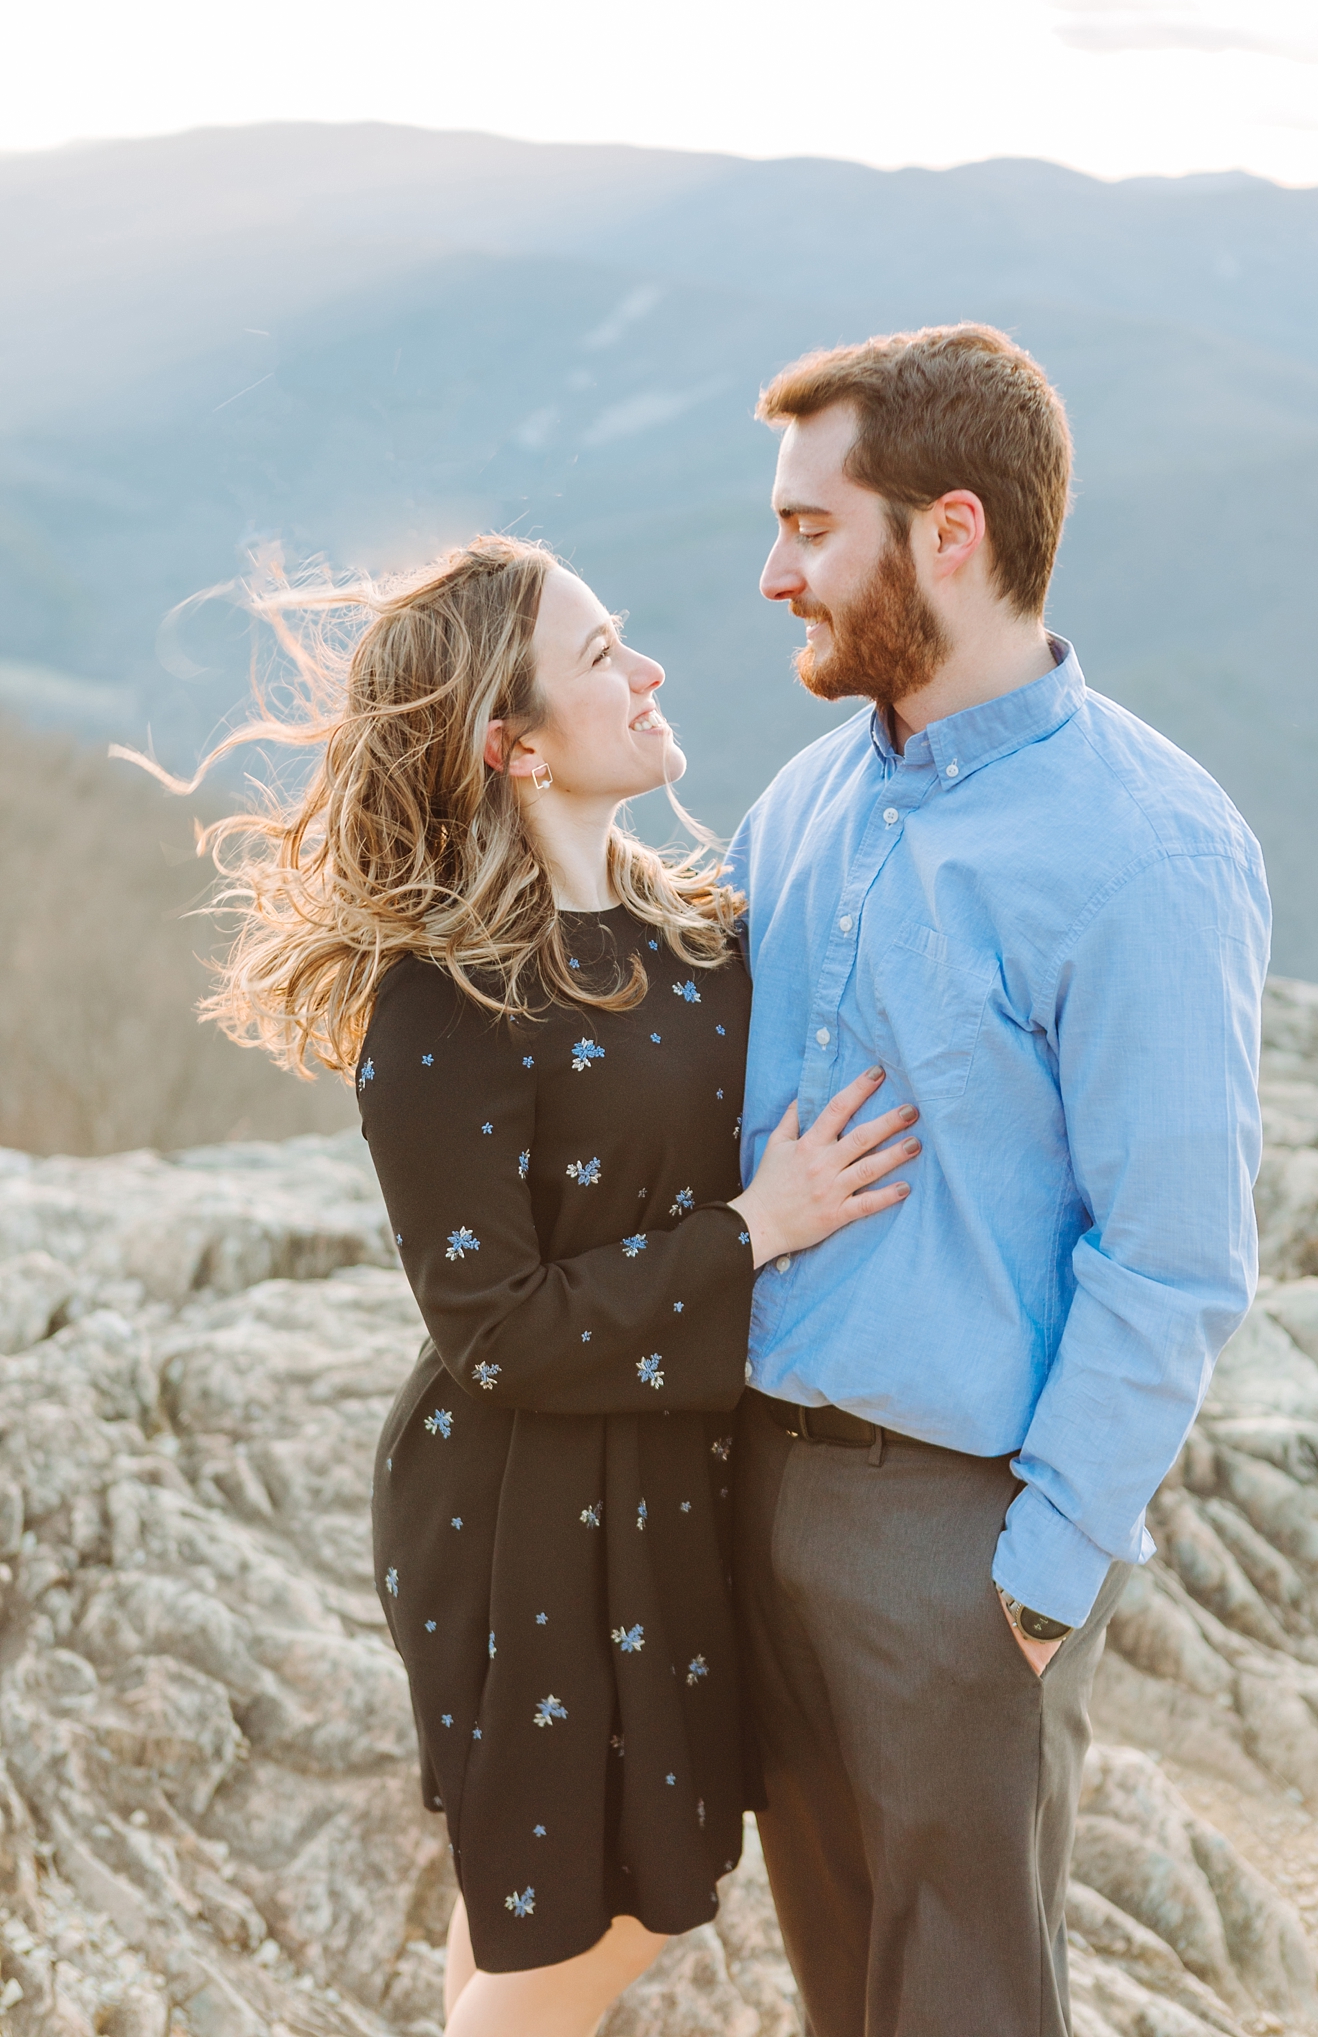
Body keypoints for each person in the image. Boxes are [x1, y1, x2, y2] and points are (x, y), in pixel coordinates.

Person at [181, 534, 921, 2037]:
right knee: (601, 1920)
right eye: (600, 660)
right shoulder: (443, 1001)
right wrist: (752, 1230)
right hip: (521, 1523)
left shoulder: (697, 934)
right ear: (510, 746)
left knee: (530, 1920)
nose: (646, 672)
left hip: (674, 1493)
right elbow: (496, 1332)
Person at [725, 326, 1271, 2037]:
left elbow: (1174, 1258)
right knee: (839, 1992)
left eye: (814, 527)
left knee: (961, 2006)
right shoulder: (806, 800)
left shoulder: (1148, 851)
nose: (774, 573)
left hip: (961, 1538)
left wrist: (1041, 1577)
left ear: (946, 533)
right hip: (758, 1488)